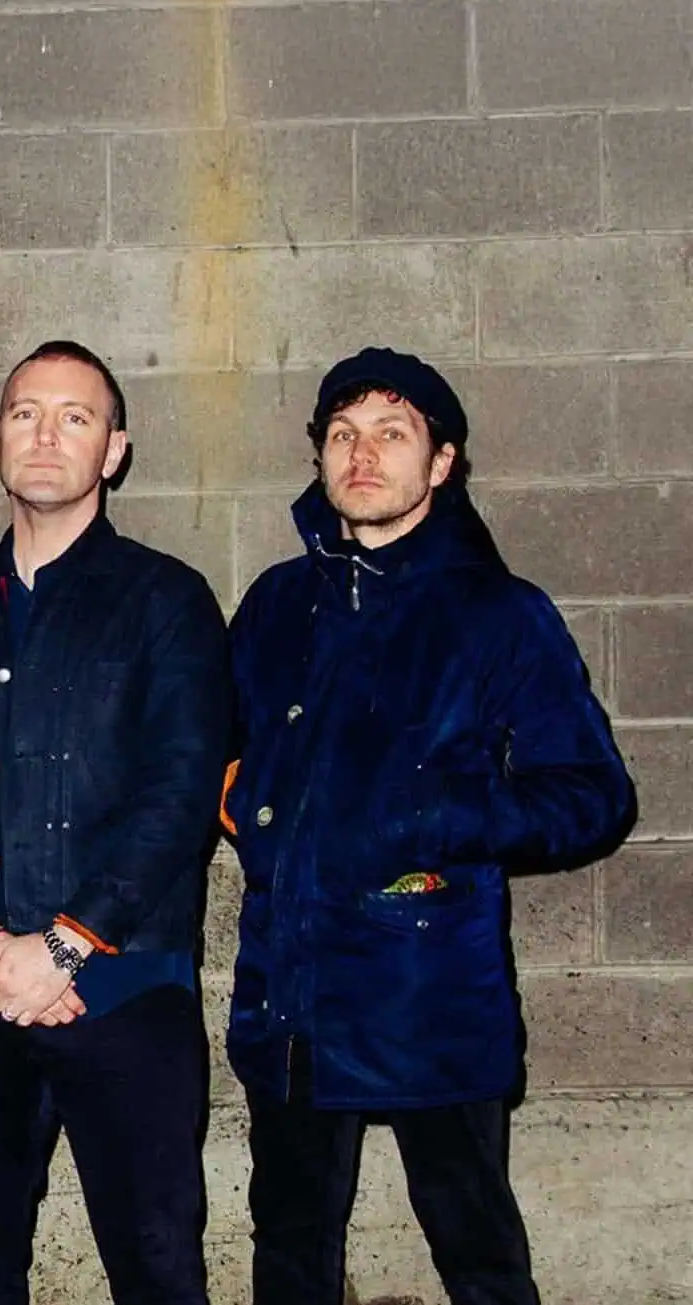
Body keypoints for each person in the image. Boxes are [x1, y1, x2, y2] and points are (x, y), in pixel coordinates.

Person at [224, 347, 632, 1305]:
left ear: (441, 462)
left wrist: (440, 814)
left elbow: (594, 794)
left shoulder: (499, 613)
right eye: (342, 434)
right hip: (290, 996)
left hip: (432, 995)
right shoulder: (278, 602)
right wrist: (237, 797)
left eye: (391, 433)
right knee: (289, 1251)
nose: (361, 455)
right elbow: (214, 742)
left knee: (477, 1252)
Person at [0, 341, 230, 1305]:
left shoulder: (168, 602)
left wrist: (65, 946)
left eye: (75, 417)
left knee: (157, 1268)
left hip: (127, 991)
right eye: (25, 413)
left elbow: (181, 791)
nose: (45, 434)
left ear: (113, 450)